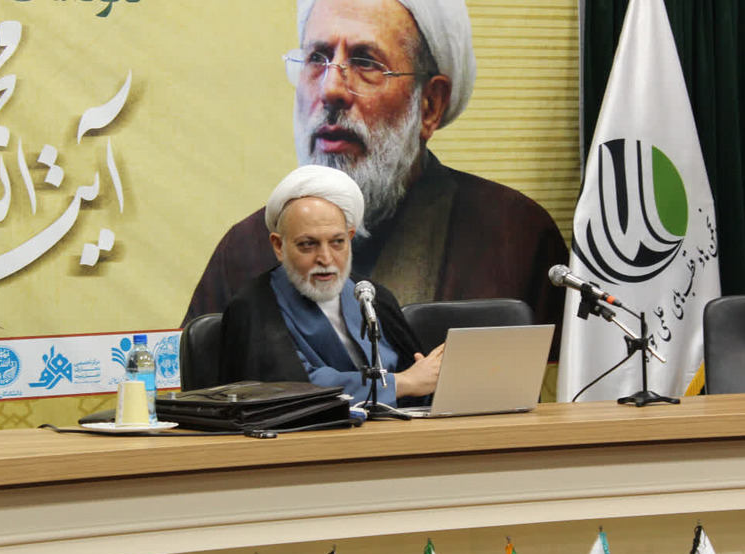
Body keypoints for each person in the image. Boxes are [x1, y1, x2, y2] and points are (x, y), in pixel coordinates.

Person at [185, 0, 568, 356]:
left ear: (430, 104)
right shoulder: (246, 251)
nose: (331, 89)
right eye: (317, 58)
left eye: (366, 63)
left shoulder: (514, 238)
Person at [219, 165, 443, 406]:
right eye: (308, 244)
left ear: (350, 238)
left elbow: (416, 375)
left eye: (337, 242)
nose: (325, 259)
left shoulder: (370, 295)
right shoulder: (254, 307)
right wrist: (401, 383)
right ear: (278, 246)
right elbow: (288, 388)